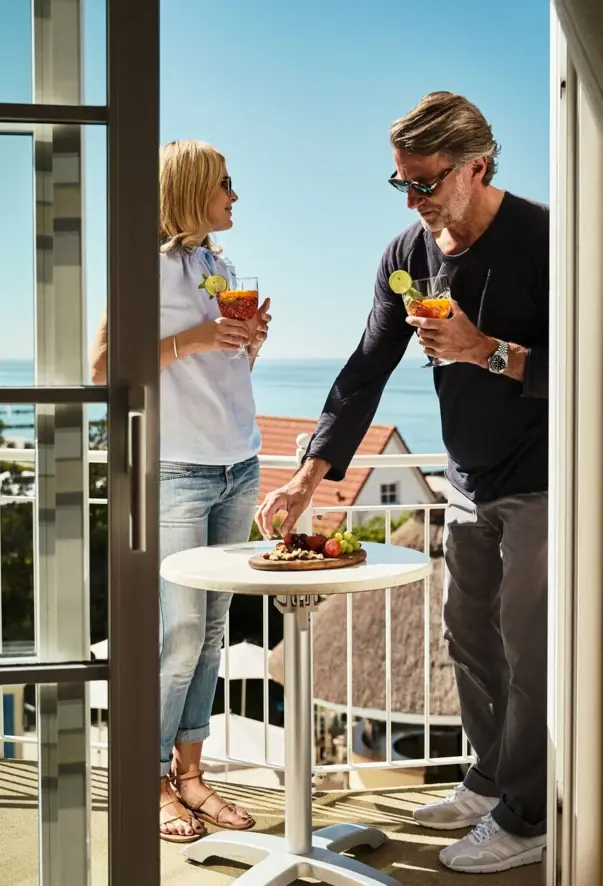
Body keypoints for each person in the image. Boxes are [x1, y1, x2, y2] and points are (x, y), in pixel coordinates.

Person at [256, 92, 548, 875]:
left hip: (544, 480)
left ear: (476, 166)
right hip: (464, 479)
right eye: (402, 186)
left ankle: (527, 816)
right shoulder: (406, 255)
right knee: (469, 638)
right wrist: (306, 479)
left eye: (426, 183)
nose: (415, 201)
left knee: (527, 648)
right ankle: (488, 785)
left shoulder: (548, 239)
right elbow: (363, 372)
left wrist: (485, 351)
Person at [91, 139, 271, 842]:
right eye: (224, 184)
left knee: (212, 634)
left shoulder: (217, 265)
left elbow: (225, 367)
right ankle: (146, 779)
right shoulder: (145, 265)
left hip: (239, 464)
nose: (234, 196)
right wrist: (198, 338)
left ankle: (191, 778)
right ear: (191, 189)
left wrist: (250, 340)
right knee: (178, 634)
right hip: (177, 469)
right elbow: (105, 363)